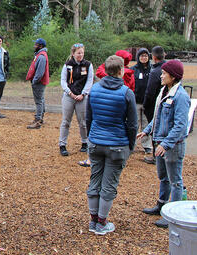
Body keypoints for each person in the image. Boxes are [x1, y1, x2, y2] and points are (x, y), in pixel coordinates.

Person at [86, 55, 137, 235]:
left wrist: (91, 138)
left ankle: (93, 220)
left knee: (95, 179)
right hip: (117, 144)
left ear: (106, 70)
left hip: (96, 142)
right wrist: (131, 146)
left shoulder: (94, 90)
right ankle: (101, 222)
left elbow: (89, 118)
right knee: (109, 184)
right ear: (121, 71)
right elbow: (132, 124)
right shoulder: (126, 92)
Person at [139, 59, 190, 228]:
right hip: (160, 141)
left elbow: (180, 126)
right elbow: (158, 116)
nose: (161, 76)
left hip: (173, 146)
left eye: (164, 73)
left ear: (173, 77)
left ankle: (173, 216)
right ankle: (161, 205)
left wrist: (166, 144)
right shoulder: (164, 91)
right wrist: (147, 130)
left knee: (175, 180)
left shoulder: (181, 96)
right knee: (163, 177)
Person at [58, 43, 94, 156]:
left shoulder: (88, 65)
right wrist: (69, 92)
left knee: (83, 122)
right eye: (78, 53)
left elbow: (90, 80)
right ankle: (62, 144)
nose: (80, 55)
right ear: (73, 53)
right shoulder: (67, 65)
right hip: (69, 96)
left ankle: (85, 142)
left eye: (82, 53)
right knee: (66, 121)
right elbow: (63, 80)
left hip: (82, 97)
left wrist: (83, 94)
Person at [142, 46, 167, 165]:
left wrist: (145, 105)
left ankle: (156, 155)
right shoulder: (167, 68)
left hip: (155, 105)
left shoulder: (156, 71)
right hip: (166, 104)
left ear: (153, 56)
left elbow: (150, 91)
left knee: (155, 129)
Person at [130, 48, 152, 154]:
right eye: (142, 56)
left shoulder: (152, 69)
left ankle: (147, 145)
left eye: (146, 56)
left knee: (146, 124)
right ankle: (132, 144)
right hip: (136, 101)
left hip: (147, 102)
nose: (144, 58)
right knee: (135, 123)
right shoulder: (133, 69)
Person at [26, 38, 49, 129]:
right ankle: (40, 117)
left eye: (36, 44)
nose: (34, 46)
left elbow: (40, 73)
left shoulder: (41, 56)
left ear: (41, 46)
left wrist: (34, 81)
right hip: (40, 82)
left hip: (39, 83)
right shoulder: (40, 55)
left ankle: (38, 120)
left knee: (38, 101)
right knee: (41, 99)